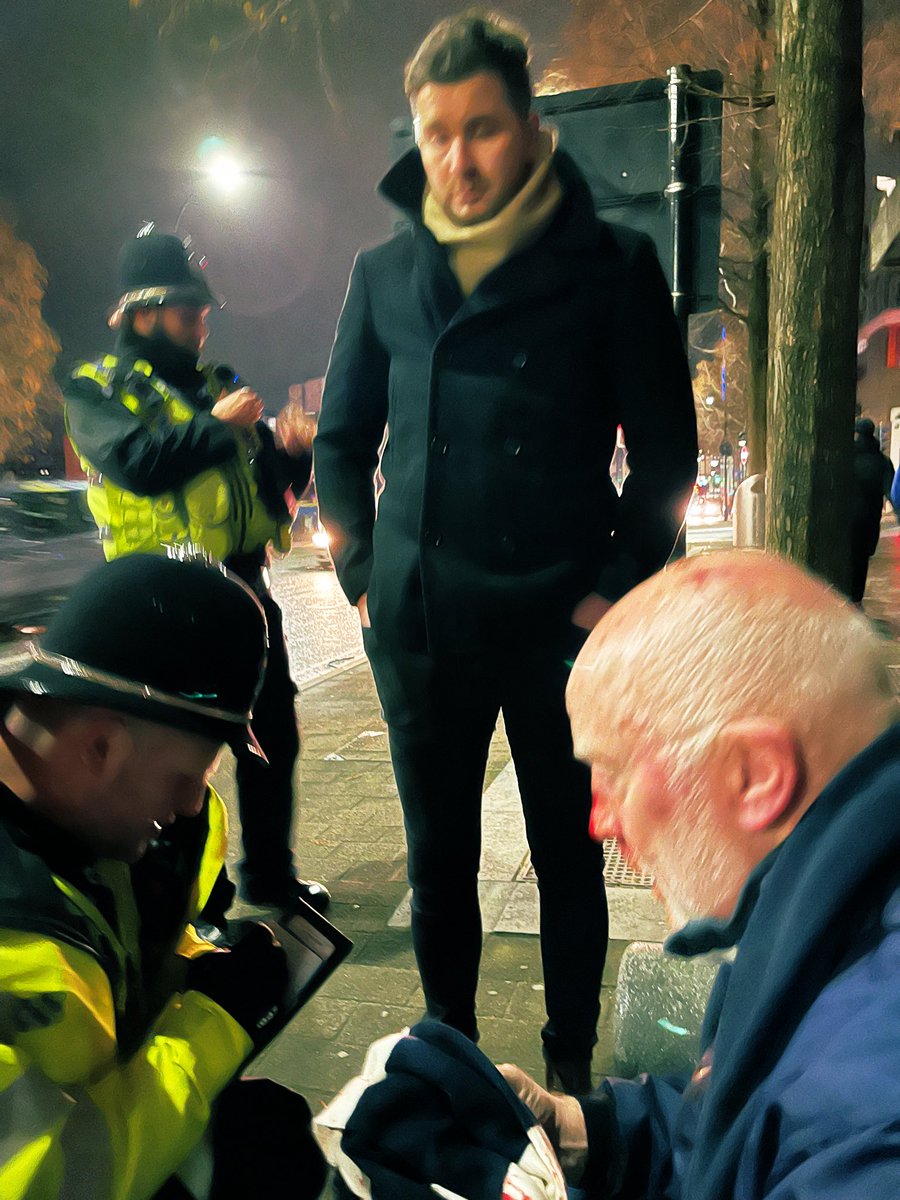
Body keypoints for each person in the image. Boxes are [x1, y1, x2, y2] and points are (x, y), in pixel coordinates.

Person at [314, 9, 698, 1092]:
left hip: (555, 625)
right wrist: (358, 581)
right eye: (436, 133)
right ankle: (448, 1058)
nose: (457, 157)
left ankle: (570, 1073)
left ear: (531, 128)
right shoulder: (384, 274)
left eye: (481, 129)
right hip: (423, 622)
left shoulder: (612, 265)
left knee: (568, 863)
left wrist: (612, 592)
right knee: (440, 866)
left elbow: (666, 457)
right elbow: (340, 447)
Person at [498, 551, 900, 1198]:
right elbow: (748, 1125)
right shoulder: (824, 928)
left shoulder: (866, 1138)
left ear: (756, 775)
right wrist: (584, 1132)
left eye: (615, 770)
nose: (598, 821)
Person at [0, 555, 326, 1199]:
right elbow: (63, 1182)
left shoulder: (102, 831)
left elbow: (111, 984)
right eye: (189, 778)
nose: (188, 808)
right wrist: (212, 1024)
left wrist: (193, 967)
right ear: (100, 747)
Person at [64, 229, 329, 915]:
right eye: (189, 314)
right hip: (163, 597)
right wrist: (215, 426)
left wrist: (293, 456)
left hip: (244, 588)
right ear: (143, 313)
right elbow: (139, 466)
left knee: (274, 740)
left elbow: (265, 487)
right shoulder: (97, 387)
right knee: (173, 755)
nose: (202, 327)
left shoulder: (222, 383)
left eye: (204, 314)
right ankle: (184, 898)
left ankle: (271, 876)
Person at [849, 417, 895, 604]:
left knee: (848, 558)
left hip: (847, 519)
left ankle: (844, 597)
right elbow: (892, 492)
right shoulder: (883, 462)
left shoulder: (847, 457)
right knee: (862, 560)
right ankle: (856, 598)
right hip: (870, 520)